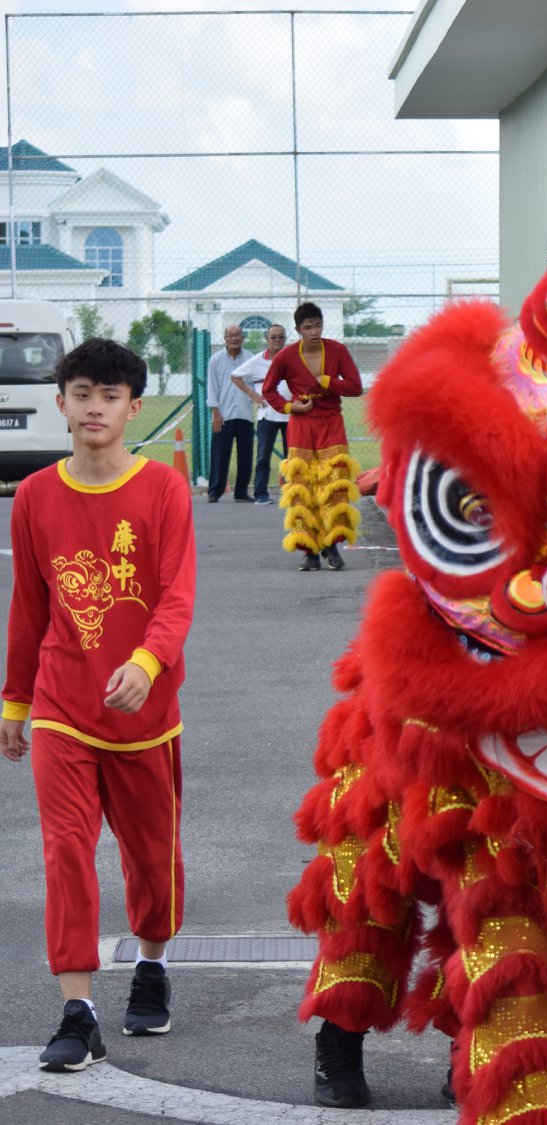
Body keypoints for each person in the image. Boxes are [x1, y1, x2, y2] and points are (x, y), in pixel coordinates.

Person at [1, 338, 195, 1071]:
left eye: (109, 396)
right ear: (61, 401)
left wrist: (148, 663)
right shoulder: (36, 497)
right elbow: (29, 609)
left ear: (132, 408)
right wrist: (15, 703)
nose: (94, 406)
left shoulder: (164, 489)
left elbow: (177, 595)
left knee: (152, 856)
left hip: (147, 712)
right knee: (64, 852)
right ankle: (77, 1008)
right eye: (81, 392)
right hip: (62, 704)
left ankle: (152, 959)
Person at [261, 302, 363, 571]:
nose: (314, 331)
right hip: (301, 426)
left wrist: (329, 381)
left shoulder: (338, 350)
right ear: (298, 330)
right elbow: (269, 390)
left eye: (318, 325)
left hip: (332, 423)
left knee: (334, 484)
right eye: (308, 327)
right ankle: (309, 552)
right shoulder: (286, 356)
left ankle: (331, 546)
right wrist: (289, 406)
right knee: (301, 488)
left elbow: (355, 387)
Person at [234, 324, 290, 505]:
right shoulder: (258, 361)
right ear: (267, 339)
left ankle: (293, 492)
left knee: (294, 457)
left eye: (280, 337)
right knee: (263, 456)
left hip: (292, 415)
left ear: (285, 339)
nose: (277, 340)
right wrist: (254, 395)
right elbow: (235, 376)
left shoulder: (292, 358)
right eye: (273, 337)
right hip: (268, 416)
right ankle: (261, 494)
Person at [204, 324, 253, 503]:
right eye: (230, 335)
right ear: (225, 338)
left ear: (242, 337)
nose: (234, 338)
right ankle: (215, 491)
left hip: (245, 413)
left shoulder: (250, 358)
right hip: (223, 414)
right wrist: (215, 411)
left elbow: (255, 384)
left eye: (237, 335)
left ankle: (241, 492)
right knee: (219, 454)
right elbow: (212, 387)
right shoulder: (216, 360)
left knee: (245, 455)